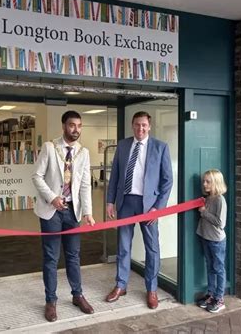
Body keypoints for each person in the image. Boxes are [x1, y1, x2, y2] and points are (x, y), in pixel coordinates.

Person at [32, 110, 96, 322]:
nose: (76, 129)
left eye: (79, 126)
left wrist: (88, 212)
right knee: (51, 257)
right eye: (71, 125)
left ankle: (77, 295)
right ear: (63, 126)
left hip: (72, 212)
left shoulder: (83, 152)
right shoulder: (50, 147)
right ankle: (51, 301)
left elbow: (85, 184)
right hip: (52, 212)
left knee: (73, 256)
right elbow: (37, 176)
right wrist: (52, 198)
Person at [105, 111, 173, 309]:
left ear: (149, 126)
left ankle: (151, 289)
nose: (140, 128)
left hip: (149, 207)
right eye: (136, 125)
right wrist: (110, 201)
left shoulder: (160, 147)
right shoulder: (123, 145)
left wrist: (158, 208)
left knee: (152, 248)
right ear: (132, 125)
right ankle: (121, 285)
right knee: (123, 246)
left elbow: (167, 181)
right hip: (126, 202)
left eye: (143, 125)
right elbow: (115, 175)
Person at [196, 169, 227, 313]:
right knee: (210, 267)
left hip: (216, 240)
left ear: (216, 183)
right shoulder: (207, 197)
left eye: (208, 181)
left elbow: (220, 223)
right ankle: (211, 294)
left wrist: (203, 212)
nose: (204, 184)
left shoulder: (220, 199)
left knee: (219, 268)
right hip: (206, 237)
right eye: (204, 181)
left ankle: (219, 299)